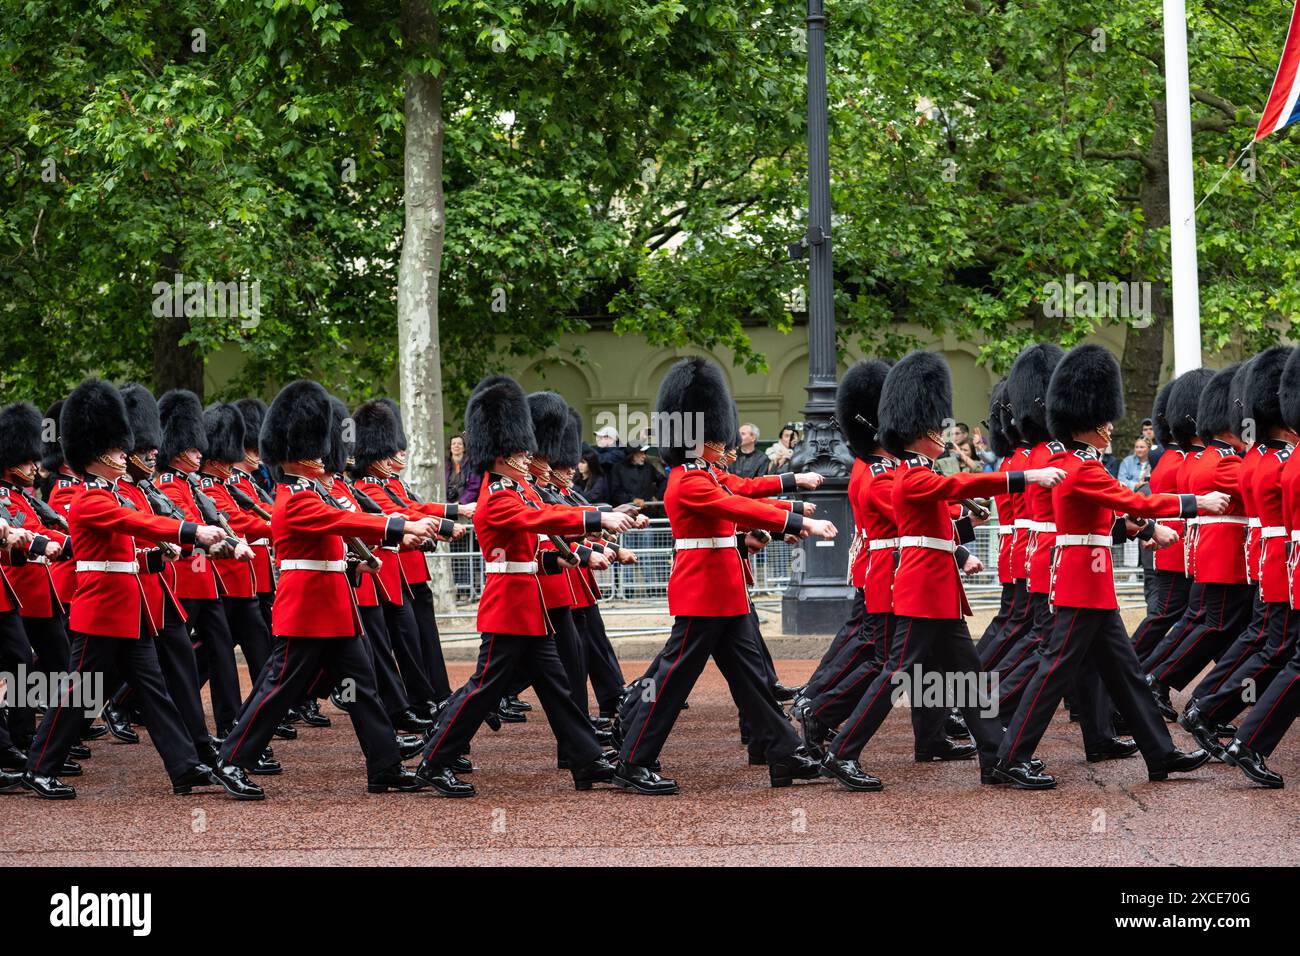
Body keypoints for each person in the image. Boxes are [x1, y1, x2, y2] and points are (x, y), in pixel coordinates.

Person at [993, 344, 1221, 789]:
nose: (1111, 427)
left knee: (1126, 672)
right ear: (1088, 422)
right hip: (1078, 584)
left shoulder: (1078, 463)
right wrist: (1197, 503)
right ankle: (1011, 754)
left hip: (1092, 584)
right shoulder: (1078, 467)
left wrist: (1147, 530)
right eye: (1105, 420)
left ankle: (1159, 753)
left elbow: (1113, 517)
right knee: (1053, 670)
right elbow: (1135, 501)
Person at [20, 379, 252, 801]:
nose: (125, 455)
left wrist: (160, 558)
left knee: (157, 693)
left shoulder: (112, 494)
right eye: (117, 450)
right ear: (96, 454)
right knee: (77, 694)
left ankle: (183, 768)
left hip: (130, 612)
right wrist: (193, 531)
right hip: (102, 612)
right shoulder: (90, 500)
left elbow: (127, 553)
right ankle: (39, 767)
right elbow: (138, 526)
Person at [215, 379, 443, 798]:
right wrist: (400, 526)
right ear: (298, 454)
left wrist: (400, 534)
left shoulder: (314, 491)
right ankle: (231, 761)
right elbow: (343, 523)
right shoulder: (296, 497)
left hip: (335, 607)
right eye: (315, 447)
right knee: (278, 688)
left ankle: (384, 766)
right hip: (307, 610)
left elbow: (348, 528)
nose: (324, 454)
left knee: (364, 688)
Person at [614, 358, 832, 795]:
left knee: (752, 679)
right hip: (702, 591)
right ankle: (634, 758)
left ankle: (783, 753)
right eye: (714, 437)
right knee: (672, 680)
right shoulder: (687, 480)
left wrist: (792, 483)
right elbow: (737, 507)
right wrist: (795, 523)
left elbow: (743, 488)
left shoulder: (708, 474)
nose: (721, 444)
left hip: (724, 590)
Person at [413, 376, 633, 797]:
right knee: (482, 691)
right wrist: (597, 519)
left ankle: (586, 761)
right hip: (509, 608)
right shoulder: (498, 497)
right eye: (519, 450)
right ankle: (435, 759)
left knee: (559, 688)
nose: (527, 454)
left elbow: (537, 540)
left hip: (529, 607)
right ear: (501, 455)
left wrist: (573, 552)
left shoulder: (520, 489)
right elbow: (540, 521)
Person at [609, 443, 665, 507]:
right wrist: (632, 500)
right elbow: (615, 492)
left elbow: (663, 480)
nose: (644, 456)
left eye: (644, 453)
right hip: (627, 511)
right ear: (632, 454)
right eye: (641, 453)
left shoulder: (648, 467)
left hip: (647, 510)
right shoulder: (618, 468)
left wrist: (657, 496)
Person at [446, 433, 481, 505]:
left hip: (465, 505)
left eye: (459, 444)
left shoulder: (472, 464)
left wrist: (460, 503)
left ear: (464, 448)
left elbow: (474, 487)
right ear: (450, 447)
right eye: (453, 444)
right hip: (444, 503)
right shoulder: (445, 465)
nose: (456, 446)